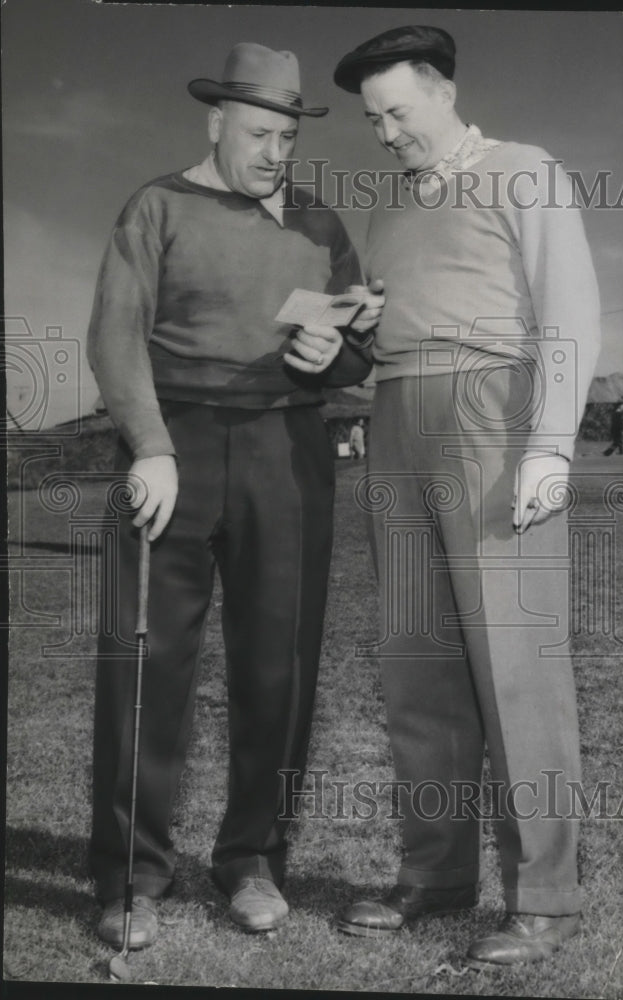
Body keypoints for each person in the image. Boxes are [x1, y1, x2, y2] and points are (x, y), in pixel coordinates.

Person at [87, 42, 383, 947]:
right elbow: (114, 337)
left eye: (286, 138)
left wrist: (340, 354)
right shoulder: (157, 206)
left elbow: (361, 351)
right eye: (258, 133)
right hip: (171, 449)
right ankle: (131, 879)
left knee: (277, 669)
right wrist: (150, 445)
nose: (273, 153)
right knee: (143, 666)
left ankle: (252, 863)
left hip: (287, 450)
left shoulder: (320, 226)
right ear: (215, 122)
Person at [332, 25, 601, 967]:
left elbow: (570, 310)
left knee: (516, 665)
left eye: (397, 111)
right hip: (397, 415)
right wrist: (355, 342)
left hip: (493, 411)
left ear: (442, 90)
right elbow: (384, 332)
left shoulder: (526, 169)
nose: (386, 133)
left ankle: (548, 898)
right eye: (372, 120)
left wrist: (552, 444)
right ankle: (435, 876)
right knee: (418, 662)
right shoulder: (390, 211)